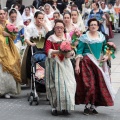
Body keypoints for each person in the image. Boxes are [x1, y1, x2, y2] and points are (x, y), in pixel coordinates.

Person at [75, 18, 115, 115]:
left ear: (98, 26)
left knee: (98, 85)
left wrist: (106, 55)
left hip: (99, 63)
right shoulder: (84, 38)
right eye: (91, 25)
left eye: (95, 25)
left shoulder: (101, 37)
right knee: (90, 84)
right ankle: (87, 105)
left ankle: (92, 106)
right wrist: (77, 65)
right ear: (88, 27)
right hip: (87, 63)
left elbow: (105, 49)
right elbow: (79, 51)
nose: (93, 26)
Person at [45, 19, 76, 116]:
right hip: (54, 63)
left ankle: (65, 107)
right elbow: (47, 51)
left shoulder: (67, 37)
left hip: (66, 63)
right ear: (54, 28)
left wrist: (70, 52)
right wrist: (58, 52)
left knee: (68, 84)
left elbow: (72, 50)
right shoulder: (51, 38)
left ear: (64, 28)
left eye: (61, 28)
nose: (59, 29)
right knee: (55, 85)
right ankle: (54, 107)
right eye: (57, 27)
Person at [22, 11, 50, 85]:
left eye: (42, 18)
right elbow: (26, 38)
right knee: (34, 65)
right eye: (39, 18)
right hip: (34, 48)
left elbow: (50, 35)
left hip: (43, 48)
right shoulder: (30, 27)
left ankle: (42, 82)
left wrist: (44, 25)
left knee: (43, 64)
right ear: (35, 18)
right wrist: (31, 43)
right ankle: (36, 83)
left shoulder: (44, 27)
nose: (40, 20)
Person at [0, 9, 21, 98]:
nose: (2, 15)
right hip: (0, 48)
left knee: (10, 66)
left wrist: (8, 34)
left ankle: (7, 90)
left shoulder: (8, 24)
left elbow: (14, 36)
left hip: (8, 48)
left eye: (3, 14)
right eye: (0, 14)